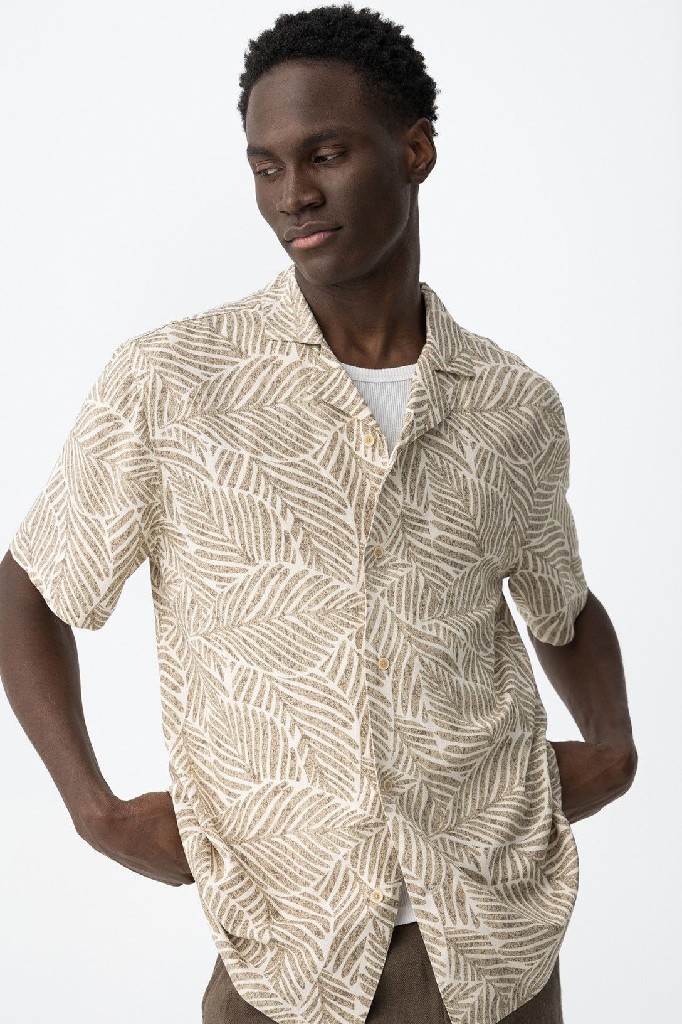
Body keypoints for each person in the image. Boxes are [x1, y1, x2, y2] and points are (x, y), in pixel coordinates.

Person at [0, 5, 637, 1024]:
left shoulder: (511, 405)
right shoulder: (172, 382)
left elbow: (559, 603)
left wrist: (613, 744)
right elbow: (30, 586)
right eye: (265, 166)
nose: (291, 193)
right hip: (287, 959)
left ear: (414, 150)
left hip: (495, 948)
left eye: (325, 155)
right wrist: (96, 811)